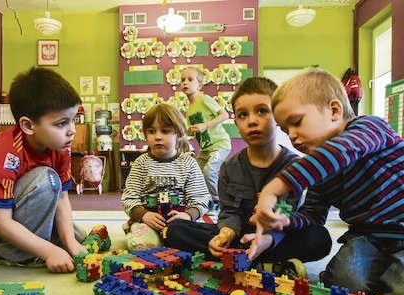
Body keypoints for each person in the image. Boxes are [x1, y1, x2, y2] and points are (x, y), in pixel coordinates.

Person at [251, 68, 404, 295]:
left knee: (398, 290)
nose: (291, 136)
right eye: (285, 130)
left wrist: (274, 188)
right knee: (342, 283)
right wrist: (285, 220)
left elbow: (342, 151)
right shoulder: (319, 170)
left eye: (297, 122)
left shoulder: (370, 127)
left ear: (334, 110)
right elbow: (313, 215)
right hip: (368, 238)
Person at [163, 77, 331, 271]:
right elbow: (229, 212)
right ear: (236, 123)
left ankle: (248, 256)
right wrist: (225, 233)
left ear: (278, 116)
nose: (252, 121)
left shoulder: (294, 166)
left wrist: (267, 239)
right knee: (175, 230)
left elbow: (285, 213)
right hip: (240, 234)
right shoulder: (229, 166)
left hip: (277, 234)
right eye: (243, 115)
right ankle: (263, 261)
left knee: (318, 238)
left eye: (262, 111)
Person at [0, 66, 87, 272]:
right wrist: (49, 252)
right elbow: (0, 223)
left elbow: (62, 199)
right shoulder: (0, 153)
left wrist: (70, 242)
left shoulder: (60, 147)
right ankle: (12, 252)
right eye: (62, 123)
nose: (72, 130)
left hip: (16, 209)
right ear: (28, 126)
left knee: (76, 236)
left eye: (73, 120)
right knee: (46, 179)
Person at [121, 103, 210, 251]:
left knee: (204, 242)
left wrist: (188, 215)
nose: (158, 137)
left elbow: (200, 197)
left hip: (179, 222)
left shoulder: (188, 163)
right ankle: (135, 229)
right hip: (148, 222)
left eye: (165, 131)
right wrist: (143, 215)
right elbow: (129, 198)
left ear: (179, 134)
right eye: (151, 131)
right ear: (145, 134)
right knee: (142, 246)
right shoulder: (141, 163)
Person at [180, 66, 231, 214]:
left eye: (190, 79)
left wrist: (206, 125)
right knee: (196, 172)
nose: (185, 82)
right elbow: (194, 131)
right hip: (205, 149)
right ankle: (204, 200)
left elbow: (225, 115)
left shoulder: (204, 99)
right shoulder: (189, 108)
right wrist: (190, 131)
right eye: (183, 80)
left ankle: (217, 202)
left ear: (200, 85)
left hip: (219, 145)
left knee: (209, 172)